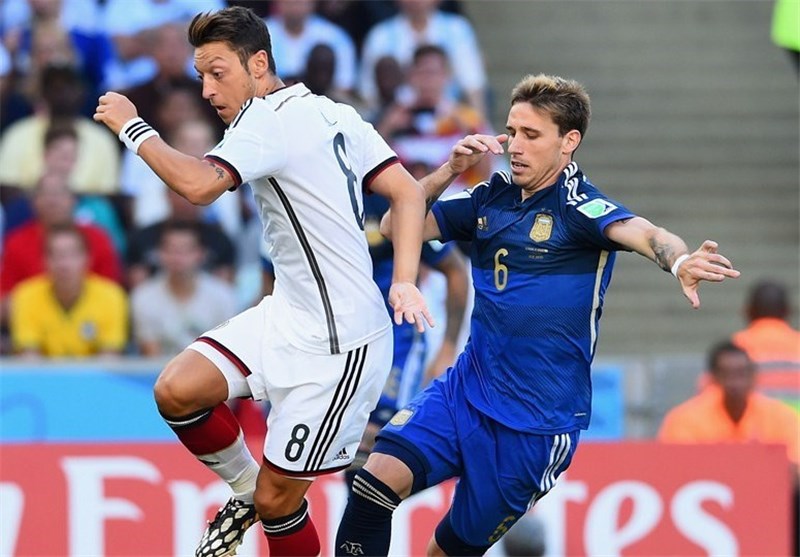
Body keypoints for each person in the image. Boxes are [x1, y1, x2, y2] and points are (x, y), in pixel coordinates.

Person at [334, 73, 741, 557]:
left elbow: (648, 234)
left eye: (532, 135)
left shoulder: (580, 208)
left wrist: (679, 261)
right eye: (512, 132)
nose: (516, 146)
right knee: (371, 485)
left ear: (569, 142)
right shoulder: (489, 198)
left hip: (535, 427)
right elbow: (394, 224)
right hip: (466, 392)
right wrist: (447, 171)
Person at [93, 6, 431, 557]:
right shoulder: (334, 112)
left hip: (340, 344)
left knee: (281, 503)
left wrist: (134, 127)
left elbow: (200, 188)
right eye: (201, 75)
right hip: (288, 313)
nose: (207, 89)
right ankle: (246, 492)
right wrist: (406, 279)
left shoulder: (266, 120)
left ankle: (258, 498)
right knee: (177, 390)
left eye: (218, 72)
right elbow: (409, 191)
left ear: (258, 64)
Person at [344, 179, 468, 484]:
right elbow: (272, 279)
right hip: (338, 342)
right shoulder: (311, 199)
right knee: (349, 447)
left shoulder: (390, 200)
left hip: (395, 344)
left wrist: (448, 347)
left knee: (377, 444)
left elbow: (455, 271)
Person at [658, 340, 799, 554]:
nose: (735, 383)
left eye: (741, 373)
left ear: (754, 376)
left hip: (767, 506)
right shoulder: (684, 418)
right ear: (712, 379)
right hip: (703, 511)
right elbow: (673, 474)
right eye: (727, 374)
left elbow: (794, 471)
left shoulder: (780, 416)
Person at [9, 224, 128, 357]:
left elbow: (110, 359)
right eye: (56, 255)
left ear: (88, 258)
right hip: (43, 371)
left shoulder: (111, 297)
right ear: (44, 260)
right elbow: (29, 358)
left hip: (95, 371)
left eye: (72, 255)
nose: (64, 264)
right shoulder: (25, 296)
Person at [130, 221, 238, 357]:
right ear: (159, 253)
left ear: (200, 254)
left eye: (185, 250)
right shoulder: (143, 297)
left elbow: (225, 351)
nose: (178, 257)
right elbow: (151, 353)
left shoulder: (223, 295)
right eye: (171, 249)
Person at [732, 279, 800, 412]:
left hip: (753, 424)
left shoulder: (734, 348)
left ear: (747, 311)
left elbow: (710, 396)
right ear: (788, 311)